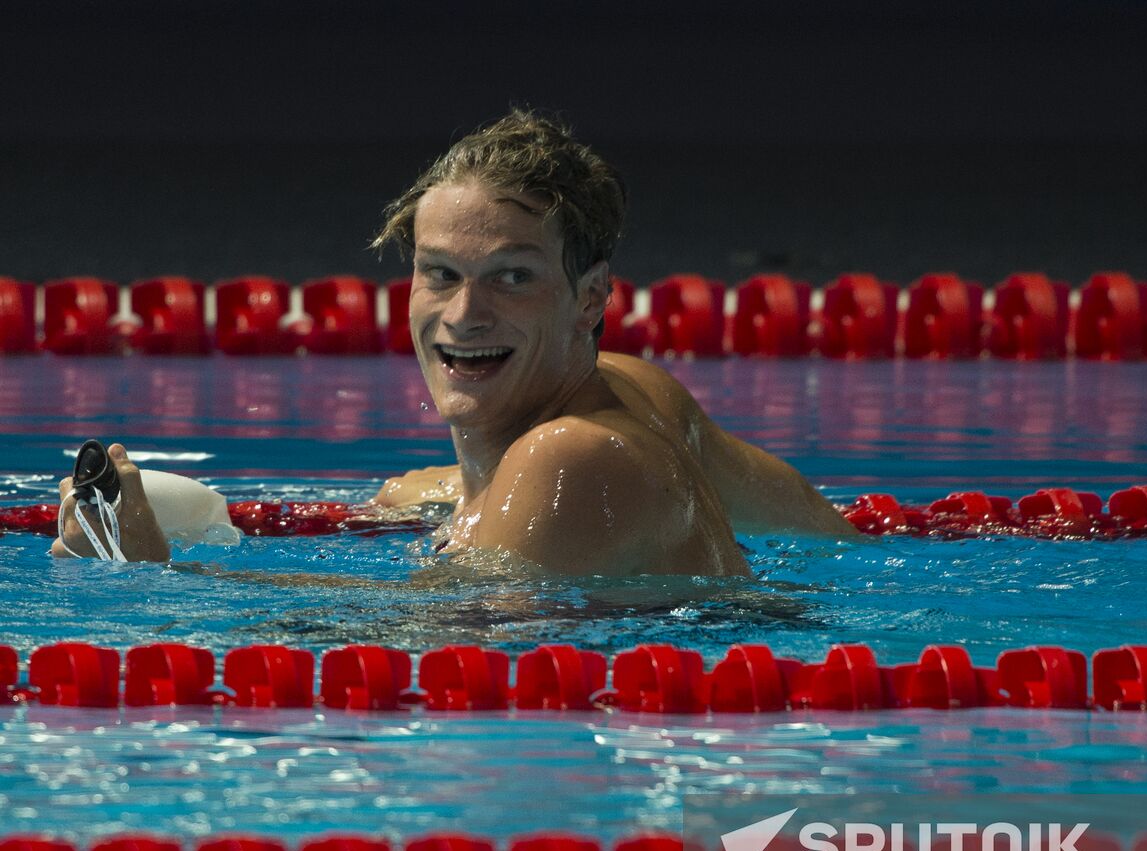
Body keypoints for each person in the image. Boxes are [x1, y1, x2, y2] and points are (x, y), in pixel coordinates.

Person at [53, 111, 854, 574]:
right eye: (440, 274)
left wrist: (147, 577)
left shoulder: (572, 458)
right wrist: (446, 492)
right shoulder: (630, 390)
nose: (463, 315)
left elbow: (426, 642)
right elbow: (826, 535)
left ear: (590, 298)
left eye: (511, 277)